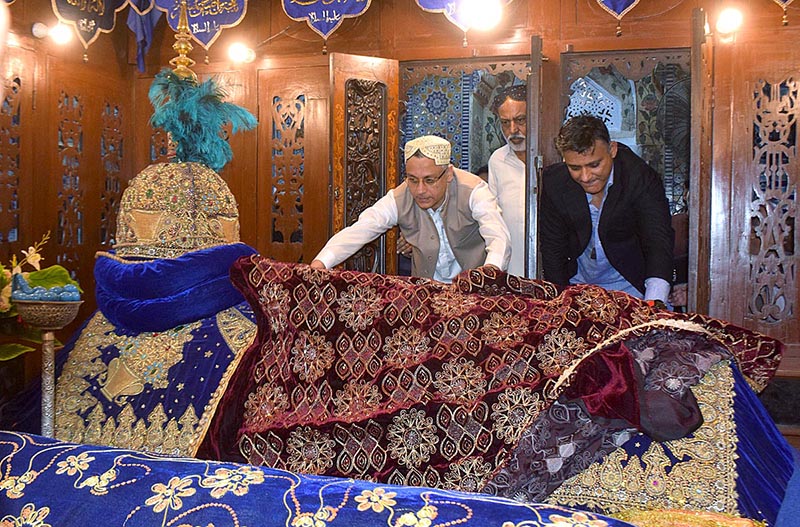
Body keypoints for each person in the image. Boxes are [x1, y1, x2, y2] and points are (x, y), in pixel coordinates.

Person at [311, 135, 511, 282]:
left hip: (472, 294)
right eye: (413, 180)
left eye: (429, 180)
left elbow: (498, 238)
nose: (420, 190)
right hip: (427, 295)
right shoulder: (400, 196)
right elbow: (361, 229)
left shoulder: (474, 191)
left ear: (449, 173)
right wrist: (320, 264)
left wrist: (488, 275)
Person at [539, 114, 674, 307]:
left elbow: (658, 240)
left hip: (632, 285)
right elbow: (553, 248)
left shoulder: (639, 177)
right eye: (575, 168)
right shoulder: (555, 182)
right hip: (577, 286)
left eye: (594, 165)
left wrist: (654, 302)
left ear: (612, 150)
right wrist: (559, 302)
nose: (585, 177)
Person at [488, 84, 528, 277]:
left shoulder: (555, 157)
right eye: (505, 123)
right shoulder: (497, 160)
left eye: (520, 120)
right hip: (512, 269)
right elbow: (492, 218)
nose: (513, 129)